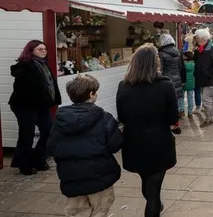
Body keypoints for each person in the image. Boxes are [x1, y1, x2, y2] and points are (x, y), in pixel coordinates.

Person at [116, 44, 179, 217]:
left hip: (133, 142)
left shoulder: (124, 86)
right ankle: (154, 207)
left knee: (147, 183)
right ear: (155, 63)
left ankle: (155, 205)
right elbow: (173, 117)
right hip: (159, 142)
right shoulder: (165, 85)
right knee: (154, 191)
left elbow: (121, 116)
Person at [47, 74, 123, 217]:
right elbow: (115, 145)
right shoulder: (105, 118)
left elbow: (51, 146)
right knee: (100, 210)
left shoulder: (60, 119)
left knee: (78, 212)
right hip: (100, 175)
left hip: (71, 177)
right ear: (91, 94)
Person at [9, 40, 61, 175]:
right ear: (31, 51)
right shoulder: (26, 66)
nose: (44, 51)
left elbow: (49, 85)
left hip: (41, 105)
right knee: (27, 134)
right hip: (24, 105)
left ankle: (38, 158)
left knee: (49, 131)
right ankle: (24, 164)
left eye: (45, 49)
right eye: (40, 49)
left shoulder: (43, 65)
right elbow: (20, 88)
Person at [158, 34, 186, 134]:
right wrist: (183, 80)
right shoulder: (178, 51)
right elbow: (181, 67)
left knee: (166, 103)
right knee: (174, 102)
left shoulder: (161, 53)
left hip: (167, 80)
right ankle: (175, 122)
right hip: (177, 79)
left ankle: (169, 122)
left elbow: (159, 70)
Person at [193, 28, 213, 127]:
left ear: (202, 38)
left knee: (206, 99)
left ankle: (209, 119)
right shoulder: (202, 48)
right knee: (209, 98)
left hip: (210, 80)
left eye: (197, 38)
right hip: (203, 79)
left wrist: (209, 74)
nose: (196, 40)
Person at [183, 51, 196, 119]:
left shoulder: (183, 65)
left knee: (181, 98)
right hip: (191, 83)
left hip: (184, 82)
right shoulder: (194, 64)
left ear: (186, 57)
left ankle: (181, 111)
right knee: (190, 98)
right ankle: (190, 113)